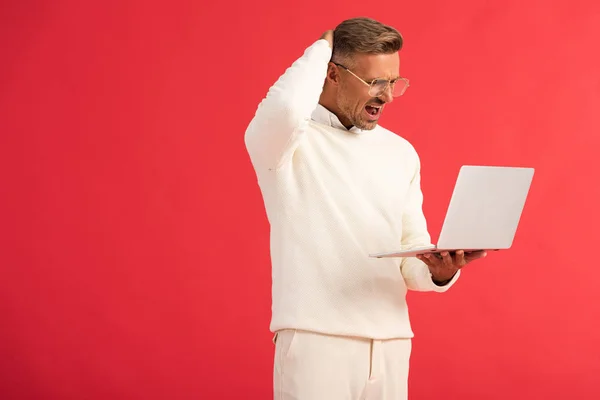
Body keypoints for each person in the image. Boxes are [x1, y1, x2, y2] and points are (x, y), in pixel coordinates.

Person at [244, 17, 487, 400]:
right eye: (375, 82)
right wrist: (321, 47)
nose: (387, 96)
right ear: (332, 75)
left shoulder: (400, 152)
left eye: (393, 83)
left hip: (391, 342)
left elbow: (412, 254)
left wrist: (439, 271)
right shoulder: (285, 141)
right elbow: (288, 107)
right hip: (316, 340)